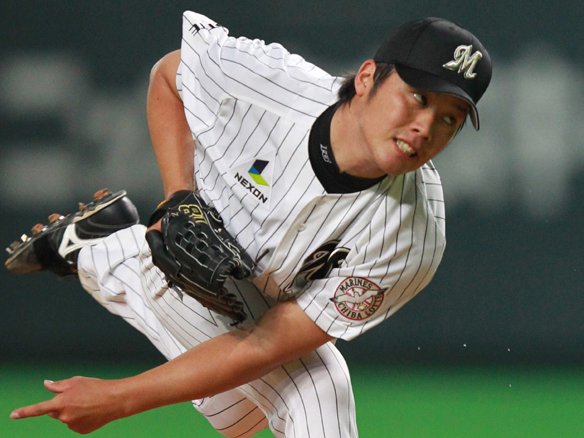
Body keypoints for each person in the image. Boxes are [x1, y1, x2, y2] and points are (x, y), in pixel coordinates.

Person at [6, 11, 492, 437]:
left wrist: (120, 397)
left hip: (265, 308)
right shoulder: (269, 83)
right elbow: (169, 74)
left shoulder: (414, 232)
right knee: (317, 387)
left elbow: (267, 344)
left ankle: (101, 248)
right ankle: (119, 252)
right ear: (367, 77)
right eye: (418, 97)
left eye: (449, 118)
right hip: (179, 262)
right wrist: (178, 198)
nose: (426, 127)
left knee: (238, 417)